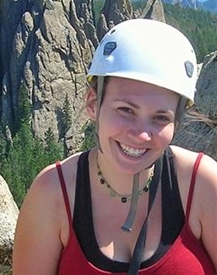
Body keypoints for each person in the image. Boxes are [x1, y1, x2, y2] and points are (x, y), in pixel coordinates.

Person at [12, 19, 217, 274]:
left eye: (161, 117)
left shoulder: (203, 185)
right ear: (93, 103)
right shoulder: (53, 193)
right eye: (126, 110)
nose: (141, 134)